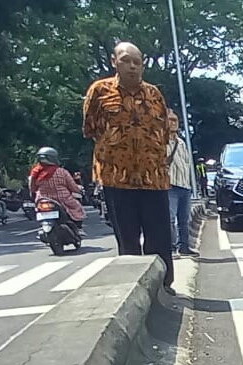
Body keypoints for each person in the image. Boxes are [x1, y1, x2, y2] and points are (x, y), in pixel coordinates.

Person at [83, 41, 176, 292]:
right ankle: (133, 288)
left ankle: (163, 287)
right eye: (126, 60)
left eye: (137, 61)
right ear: (114, 62)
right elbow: (90, 128)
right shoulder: (99, 91)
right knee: (128, 238)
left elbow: (165, 133)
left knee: (159, 236)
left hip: (153, 176)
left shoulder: (154, 93)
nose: (133, 66)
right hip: (117, 178)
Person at [28, 147, 87, 231]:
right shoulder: (62, 172)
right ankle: (78, 229)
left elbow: (32, 189)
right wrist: (79, 189)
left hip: (42, 200)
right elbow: (73, 187)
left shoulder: (35, 173)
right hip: (63, 200)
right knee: (77, 208)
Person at [166, 110, 198, 257]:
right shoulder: (161, 141)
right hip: (170, 185)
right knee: (170, 219)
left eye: (175, 120)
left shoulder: (181, 142)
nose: (173, 123)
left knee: (184, 220)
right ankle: (171, 248)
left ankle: (184, 247)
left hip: (184, 185)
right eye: (170, 120)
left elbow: (186, 163)